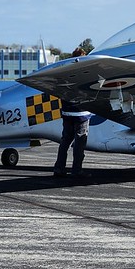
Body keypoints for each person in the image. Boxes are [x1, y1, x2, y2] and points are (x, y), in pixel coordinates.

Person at [53, 47, 92, 178]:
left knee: (65, 141)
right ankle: (77, 170)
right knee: (80, 142)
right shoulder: (85, 72)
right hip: (81, 114)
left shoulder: (65, 72)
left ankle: (59, 168)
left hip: (67, 113)